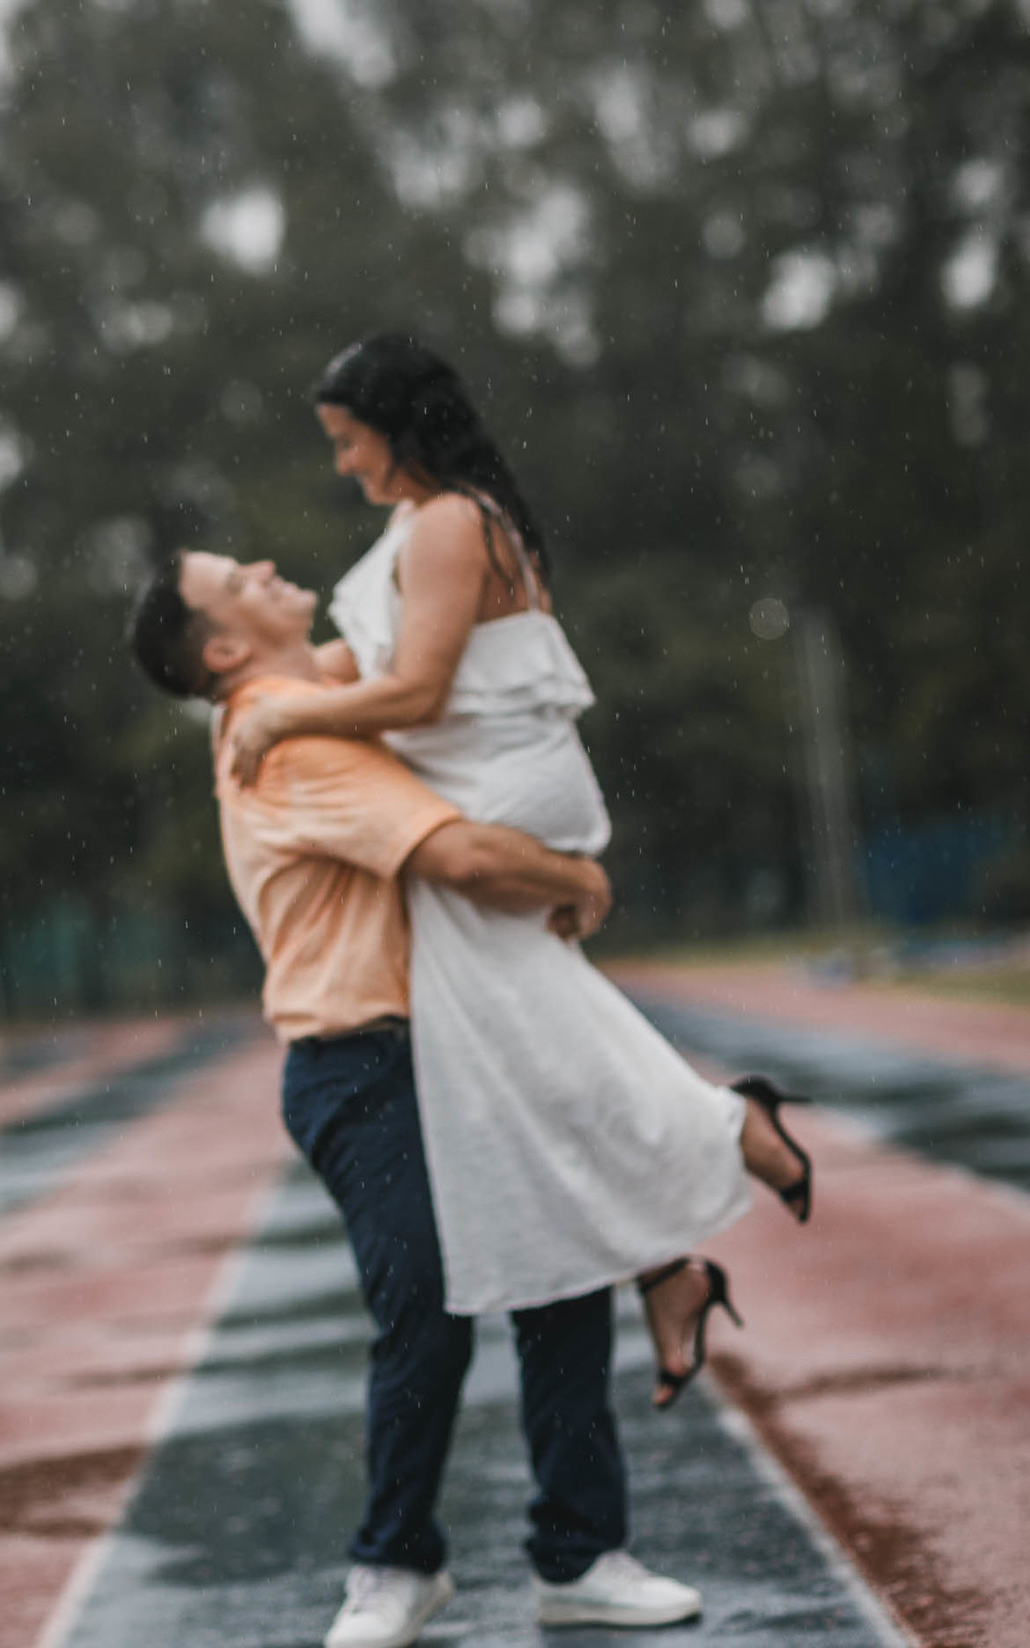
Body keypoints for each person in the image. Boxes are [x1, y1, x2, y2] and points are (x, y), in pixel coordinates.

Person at [128, 548, 709, 1648]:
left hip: (452, 1039)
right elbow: (463, 856)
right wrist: (579, 880)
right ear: (223, 649)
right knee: (428, 1314)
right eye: (233, 578)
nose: (261, 564)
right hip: (362, 1060)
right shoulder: (289, 736)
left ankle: (581, 1556)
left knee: (559, 1278)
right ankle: (397, 1560)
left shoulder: (313, 695)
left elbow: (410, 662)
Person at [222, 333, 813, 1408]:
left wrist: (292, 714)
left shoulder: (452, 522)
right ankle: (665, 1264)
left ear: (398, 427)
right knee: (522, 1054)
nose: (343, 463)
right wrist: (252, 697)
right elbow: (365, 655)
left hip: (499, 792)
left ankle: (734, 1134)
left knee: (510, 1052)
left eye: (350, 440)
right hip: (486, 783)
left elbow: (418, 694)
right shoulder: (416, 521)